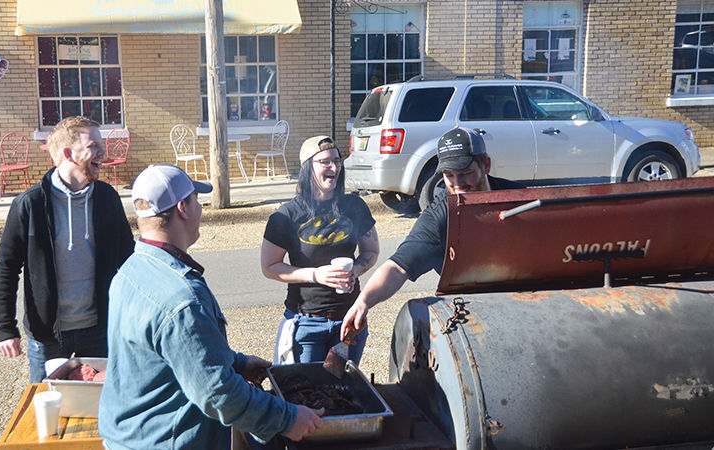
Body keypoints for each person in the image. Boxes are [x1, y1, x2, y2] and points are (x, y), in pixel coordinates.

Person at [99, 164, 324, 449]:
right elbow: (219, 395)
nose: (201, 209)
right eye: (197, 200)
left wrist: (237, 363)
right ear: (183, 207)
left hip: (131, 436)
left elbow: (174, 353)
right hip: (166, 441)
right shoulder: (181, 300)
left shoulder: (131, 270)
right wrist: (288, 419)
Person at [341, 126, 525, 338]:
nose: (457, 185)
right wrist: (364, 301)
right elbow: (398, 267)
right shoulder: (439, 216)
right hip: (472, 316)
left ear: (486, 165)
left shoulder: (519, 199)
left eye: (466, 174)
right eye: (449, 176)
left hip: (520, 304)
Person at [0, 116, 134, 383]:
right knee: (49, 404)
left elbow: (128, 260)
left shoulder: (107, 198)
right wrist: (5, 328)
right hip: (47, 334)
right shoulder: (30, 204)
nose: (103, 153)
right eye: (94, 146)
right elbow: (7, 267)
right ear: (68, 153)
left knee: (101, 404)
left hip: (99, 328)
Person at [260, 136, 379, 365]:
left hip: (349, 319)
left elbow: (371, 251)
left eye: (337, 160)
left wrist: (356, 269)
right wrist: (315, 275)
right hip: (305, 322)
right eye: (325, 162)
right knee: (305, 394)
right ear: (308, 168)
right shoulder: (286, 215)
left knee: (343, 393)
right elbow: (269, 267)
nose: (334, 167)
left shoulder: (354, 206)